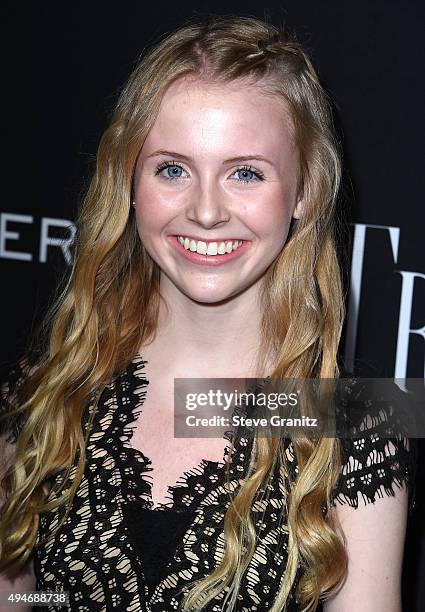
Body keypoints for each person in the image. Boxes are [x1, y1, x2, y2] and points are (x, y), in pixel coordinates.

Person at [0, 14, 418, 612]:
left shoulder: (357, 425)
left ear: (305, 191)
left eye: (245, 173)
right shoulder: (50, 386)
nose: (205, 211)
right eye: (173, 168)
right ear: (130, 180)